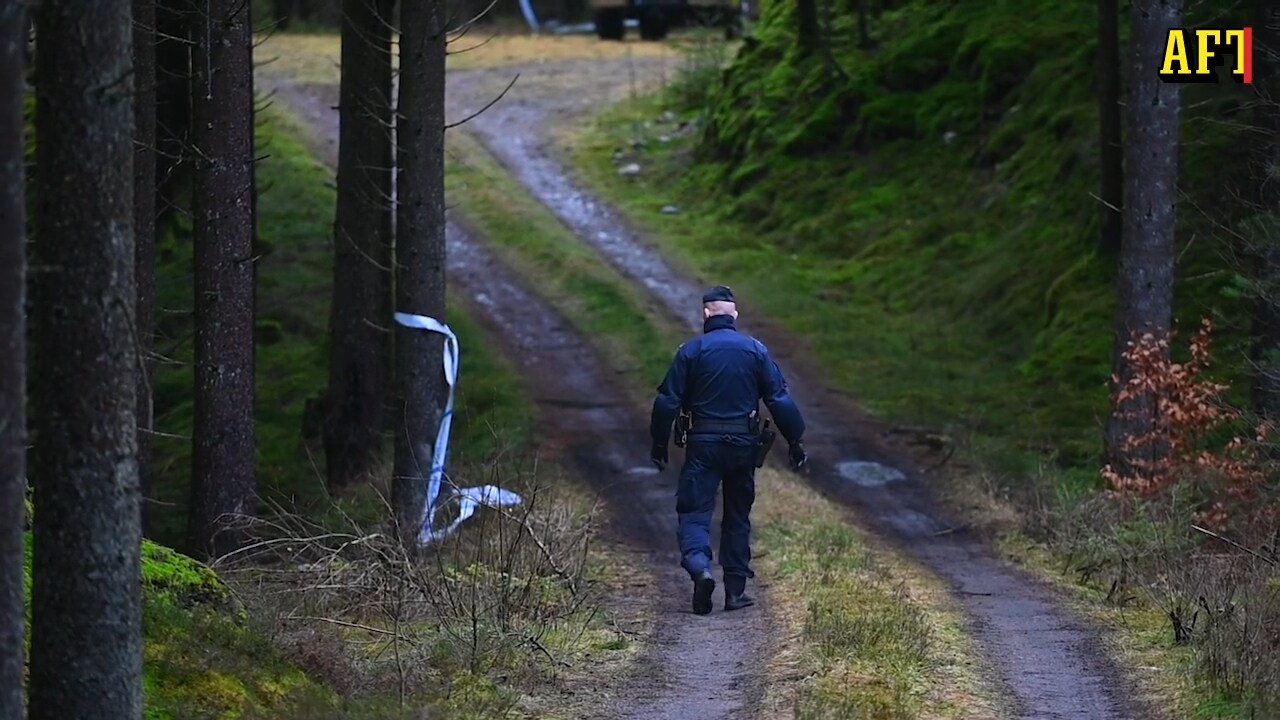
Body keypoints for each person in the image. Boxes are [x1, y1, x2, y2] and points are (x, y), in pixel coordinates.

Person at [649, 285, 807, 615]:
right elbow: (778, 399)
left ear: (706, 314)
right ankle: (735, 592)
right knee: (737, 516)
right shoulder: (755, 350)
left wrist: (659, 442)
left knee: (694, 512)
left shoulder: (691, 351)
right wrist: (795, 441)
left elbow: (667, 401)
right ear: (734, 315)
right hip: (743, 446)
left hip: (702, 445)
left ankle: (699, 568)